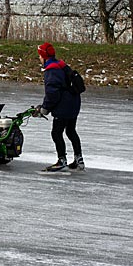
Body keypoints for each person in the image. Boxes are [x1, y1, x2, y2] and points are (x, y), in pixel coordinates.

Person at [35, 42, 85, 171]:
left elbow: (52, 93)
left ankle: (61, 160)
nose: (39, 59)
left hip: (64, 106)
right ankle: (79, 160)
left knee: (56, 133)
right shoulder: (61, 65)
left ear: (44, 57)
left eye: (39, 56)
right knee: (70, 131)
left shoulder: (52, 70)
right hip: (74, 103)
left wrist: (44, 108)